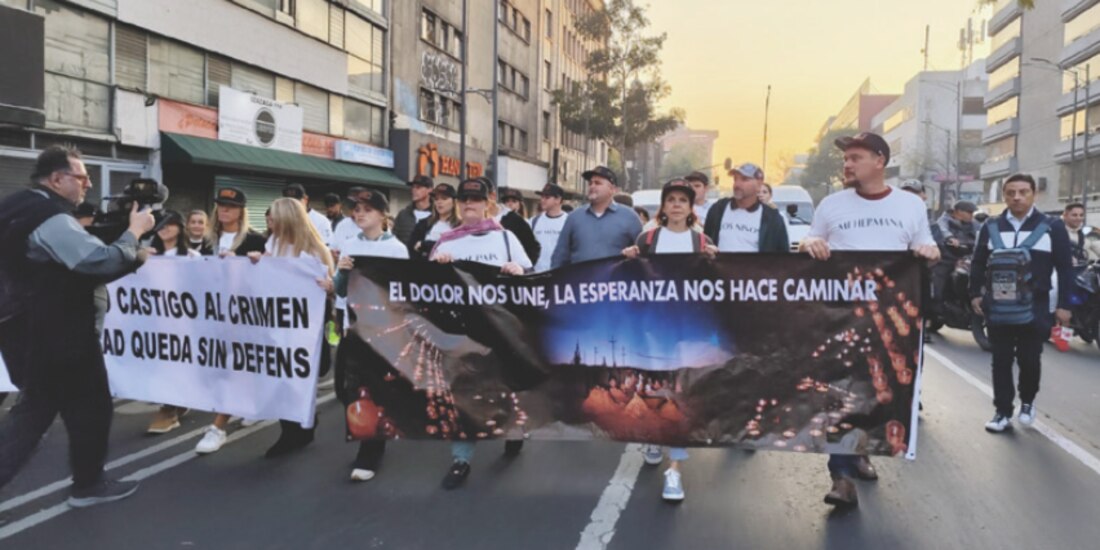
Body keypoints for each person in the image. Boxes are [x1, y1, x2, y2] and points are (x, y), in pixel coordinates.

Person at [0, 146, 153, 507]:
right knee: (93, 407)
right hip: (62, 332)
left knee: (33, 414)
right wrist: (134, 234)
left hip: (23, 329)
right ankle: (88, 485)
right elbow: (96, 262)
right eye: (81, 176)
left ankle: (88, 481)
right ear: (56, 179)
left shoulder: (15, 206)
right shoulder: (48, 216)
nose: (88, 184)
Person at [800, 132, 939, 508]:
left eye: (856, 157)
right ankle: (841, 476)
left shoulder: (910, 206)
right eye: (845, 158)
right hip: (842, 317)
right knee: (842, 394)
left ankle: (860, 451)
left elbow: (928, 246)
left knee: (879, 393)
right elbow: (810, 241)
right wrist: (810, 244)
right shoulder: (831, 205)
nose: (847, 164)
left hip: (891, 321)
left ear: (880, 161)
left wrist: (929, 251)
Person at [430, 178, 533, 489]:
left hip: (501, 333)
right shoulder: (445, 242)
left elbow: (531, 279)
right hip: (461, 335)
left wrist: (519, 272)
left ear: (488, 203)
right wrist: (437, 268)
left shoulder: (506, 239)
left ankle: (513, 431)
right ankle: (461, 460)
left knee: (506, 388)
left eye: (475, 199)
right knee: (463, 395)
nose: (468, 204)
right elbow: (425, 290)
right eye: (464, 199)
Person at [621, 179, 717, 502]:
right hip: (651, 328)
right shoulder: (647, 239)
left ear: (691, 208)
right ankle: (652, 434)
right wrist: (628, 260)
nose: (676, 205)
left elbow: (714, 287)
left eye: (682, 200)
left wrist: (717, 263)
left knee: (681, 394)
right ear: (663, 206)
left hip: (686, 329)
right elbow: (630, 281)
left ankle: (674, 469)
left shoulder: (702, 242)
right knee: (652, 388)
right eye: (671, 199)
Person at [970, 174, 1073, 434]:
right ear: (1004, 195)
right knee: (1001, 359)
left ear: (1033, 194)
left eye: (1023, 192)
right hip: (999, 304)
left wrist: (1065, 304)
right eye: (1011, 192)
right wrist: (975, 293)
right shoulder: (991, 226)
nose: (1017, 197)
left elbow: (1065, 268)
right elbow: (978, 262)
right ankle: (1002, 411)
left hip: (1036, 305)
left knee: (1030, 359)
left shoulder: (1052, 226)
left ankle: (1027, 402)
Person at [248, 198, 335, 457]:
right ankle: (293, 428)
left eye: (273, 217)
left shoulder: (315, 250)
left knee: (298, 379)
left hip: (306, 327)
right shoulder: (272, 243)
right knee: (282, 380)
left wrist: (329, 287)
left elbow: (330, 286)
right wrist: (255, 262)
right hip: (278, 323)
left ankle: (298, 429)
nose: (269, 222)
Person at [333, 188, 410, 482]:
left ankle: (371, 451)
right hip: (354, 327)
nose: (359, 213)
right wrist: (341, 272)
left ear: (381, 215)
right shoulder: (350, 243)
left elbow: (402, 293)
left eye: (366, 209)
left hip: (383, 329)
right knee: (346, 389)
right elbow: (341, 289)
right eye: (356, 209)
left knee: (371, 391)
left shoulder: (396, 249)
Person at [194, 188, 267, 454]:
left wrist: (248, 264)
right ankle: (252, 402)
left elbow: (266, 280)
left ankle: (218, 427)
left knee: (232, 369)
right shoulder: (208, 240)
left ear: (241, 211)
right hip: (213, 314)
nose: (224, 210)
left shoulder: (255, 239)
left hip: (242, 316)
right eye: (220, 205)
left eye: (230, 206)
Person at [143, 211, 201, 434]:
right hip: (154, 321)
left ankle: (169, 408)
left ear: (179, 227)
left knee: (177, 363)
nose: (164, 229)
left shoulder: (192, 257)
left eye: (169, 224)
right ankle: (173, 403)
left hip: (182, 322)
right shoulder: (147, 255)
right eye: (159, 225)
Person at [551, 166, 644, 269]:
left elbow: (643, 254)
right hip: (579, 282)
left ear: (612, 189)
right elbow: (560, 256)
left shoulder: (629, 217)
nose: (592, 186)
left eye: (598, 183)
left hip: (615, 282)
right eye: (590, 183)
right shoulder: (574, 218)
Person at [704, 163, 789, 253]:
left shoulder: (772, 218)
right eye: (735, 179)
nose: (737, 184)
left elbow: (782, 257)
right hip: (720, 267)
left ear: (759, 185)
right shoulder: (718, 209)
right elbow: (705, 243)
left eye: (744, 179)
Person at [485, 178, 541, 264]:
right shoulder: (470, 221)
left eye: (514, 201)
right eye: (507, 201)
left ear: (492, 196)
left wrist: (522, 269)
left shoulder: (517, 221)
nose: (510, 204)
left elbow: (533, 248)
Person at [408, 183, 460, 260]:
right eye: (436, 199)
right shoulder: (424, 224)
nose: (439, 202)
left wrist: (427, 245)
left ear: (454, 202)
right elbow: (412, 247)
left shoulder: (461, 226)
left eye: (444, 198)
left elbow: (458, 249)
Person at [528, 183, 569, 273]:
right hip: (537, 275)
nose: (542, 200)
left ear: (558, 200)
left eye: (547, 197)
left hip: (560, 276)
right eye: (542, 197)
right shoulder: (533, 221)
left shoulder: (569, 221)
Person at [393, 175, 435, 245]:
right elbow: (393, 236)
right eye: (413, 187)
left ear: (429, 190)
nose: (414, 190)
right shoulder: (403, 214)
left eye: (418, 187)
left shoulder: (437, 215)